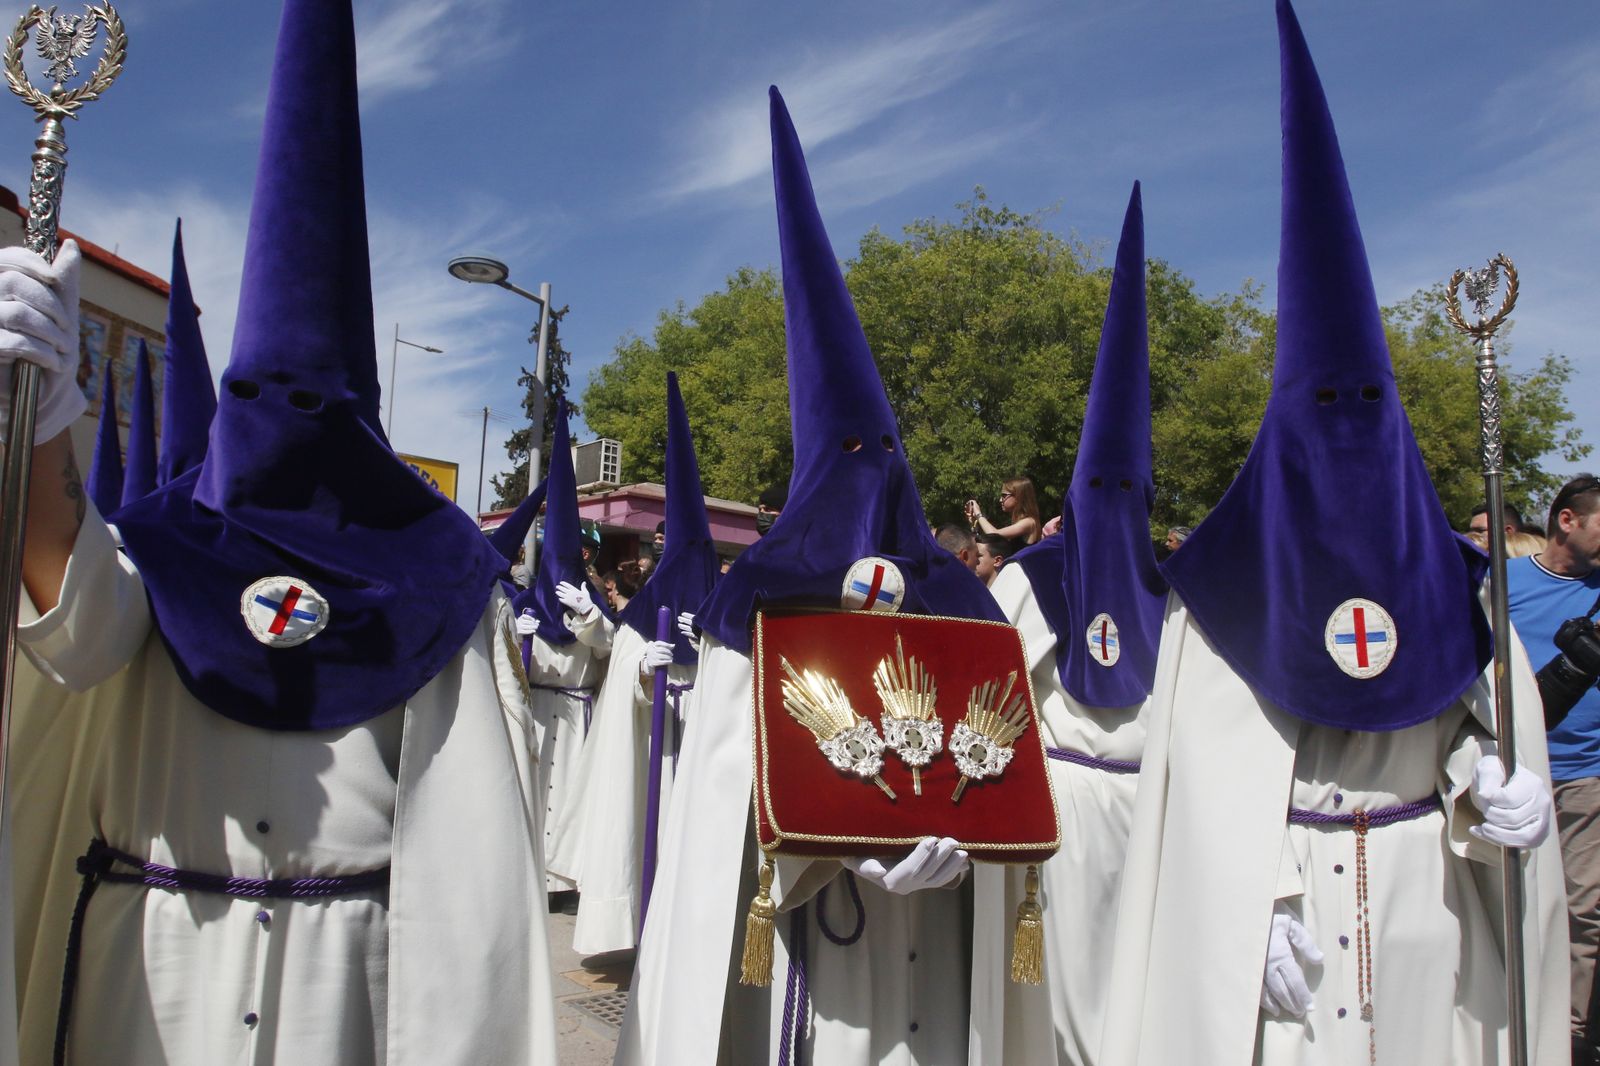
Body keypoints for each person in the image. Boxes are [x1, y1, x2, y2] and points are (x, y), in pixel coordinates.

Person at [1, 1, 558, 1061]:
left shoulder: (434, 576)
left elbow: (470, 850)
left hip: (343, 977)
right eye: (258, 391)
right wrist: (41, 427)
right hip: (152, 967)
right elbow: (73, 630)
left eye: (317, 398)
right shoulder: (162, 545)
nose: (286, 421)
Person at [1100, 5, 1566, 1063]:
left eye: (1371, 405)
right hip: (1286, 920)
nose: (1349, 433)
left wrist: (1487, 788)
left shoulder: (1455, 583)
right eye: (1327, 410)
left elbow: (1466, 737)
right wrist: (1245, 908)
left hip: (1424, 917)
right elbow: (1205, 787)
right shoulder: (1223, 593)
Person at [617, 87, 1004, 1066]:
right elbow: (717, 809)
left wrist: (981, 851)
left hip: (938, 952)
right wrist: (828, 847)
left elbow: (999, 764)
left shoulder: (961, 602)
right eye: (849, 453)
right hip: (809, 943)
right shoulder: (752, 602)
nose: (870, 475)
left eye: (886, 450)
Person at [974, 181, 1167, 1065]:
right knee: (1053, 1005)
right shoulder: (1035, 576)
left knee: (1145, 999)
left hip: (1159, 818)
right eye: (1104, 489)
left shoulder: (1176, 588)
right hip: (1061, 812)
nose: (1117, 505)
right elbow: (988, 695)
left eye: (1132, 491)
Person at [548, 371, 720, 955]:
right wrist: (649, 672)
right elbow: (622, 673)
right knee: (642, 832)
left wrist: (716, 651)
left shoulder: (723, 617)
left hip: (700, 758)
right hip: (652, 753)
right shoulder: (639, 621)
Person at [1507, 474, 1600, 1063]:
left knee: (1583, 910)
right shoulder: (1502, 581)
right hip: (1513, 770)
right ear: (1568, 520)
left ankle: (1567, 1040)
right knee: (1509, 904)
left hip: (1586, 774)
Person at [513, 401, 615, 902]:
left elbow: (608, 650)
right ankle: (530, 875)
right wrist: (518, 637)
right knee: (532, 792)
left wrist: (588, 616)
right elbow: (506, 666)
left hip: (578, 712)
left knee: (574, 796)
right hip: (536, 709)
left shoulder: (590, 603)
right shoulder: (523, 604)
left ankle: (567, 878)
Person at [967, 476, 1043, 546]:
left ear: (1019, 496)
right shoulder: (1017, 523)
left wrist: (978, 514)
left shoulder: (1029, 522)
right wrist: (974, 525)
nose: (1000, 500)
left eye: (1004, 496)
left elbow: (994, 535)